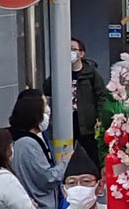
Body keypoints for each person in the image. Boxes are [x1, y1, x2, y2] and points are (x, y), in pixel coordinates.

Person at [43, 38, 107, 167]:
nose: (70, 52)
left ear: (81, 53)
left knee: (91, 154)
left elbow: (102, 97)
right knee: (64, 154)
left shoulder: (92, 75)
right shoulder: (60, 72)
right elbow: (47, 89)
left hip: (86, 123)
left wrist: (99, 118)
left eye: (73, 49)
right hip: (65, 121)